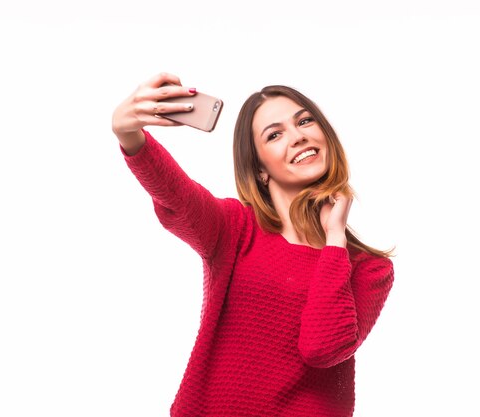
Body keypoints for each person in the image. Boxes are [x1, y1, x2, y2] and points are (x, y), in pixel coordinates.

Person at [111, 72, 395, 417]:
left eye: (305, 121)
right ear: (260, 170)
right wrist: (130, 136)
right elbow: (177, 196)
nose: (298, 137)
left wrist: (335, 241)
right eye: (275, 134)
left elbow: (321, 348)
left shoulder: (369, 268)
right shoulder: (234, 228)